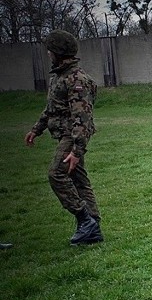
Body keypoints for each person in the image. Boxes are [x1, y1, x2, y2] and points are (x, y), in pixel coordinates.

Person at [25, 30, 103, 246]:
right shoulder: (59, 77)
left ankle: (85, 220)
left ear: (58, 52)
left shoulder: (76, 80)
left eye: (50, 50)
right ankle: (93, 228)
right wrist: (36, 129)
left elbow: (82, 118)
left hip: (73, 136)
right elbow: (52, 109)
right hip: (64, 134)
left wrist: (77, 150)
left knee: (56, 174)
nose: (48, 53)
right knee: (78, 180)